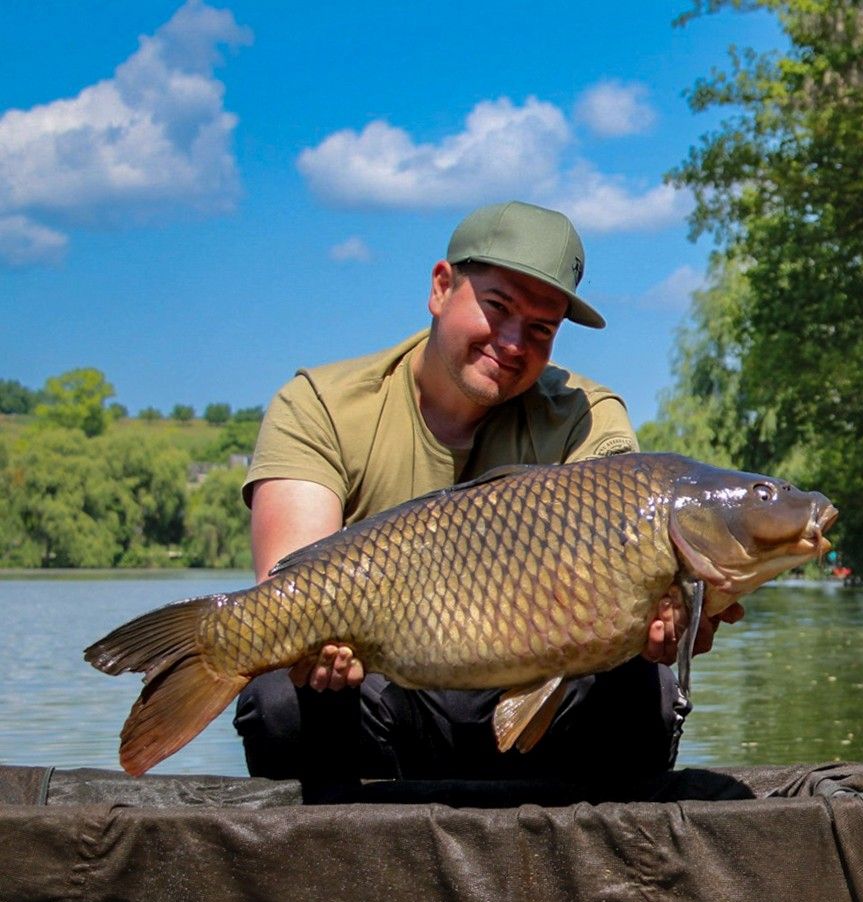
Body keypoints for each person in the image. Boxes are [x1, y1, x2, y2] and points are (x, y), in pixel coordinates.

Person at [235, 200, 735, 782]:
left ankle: (581, 866)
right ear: (442, 288)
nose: (514, 342)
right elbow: (283, 589)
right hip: (383, 700)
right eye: (497, 308)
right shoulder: (319, 406)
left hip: (532, 714)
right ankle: (347, 864)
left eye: (541, 328)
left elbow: (634, 556)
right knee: (277, 693)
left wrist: (676, 614)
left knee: (644, 688)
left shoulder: (584, 416)